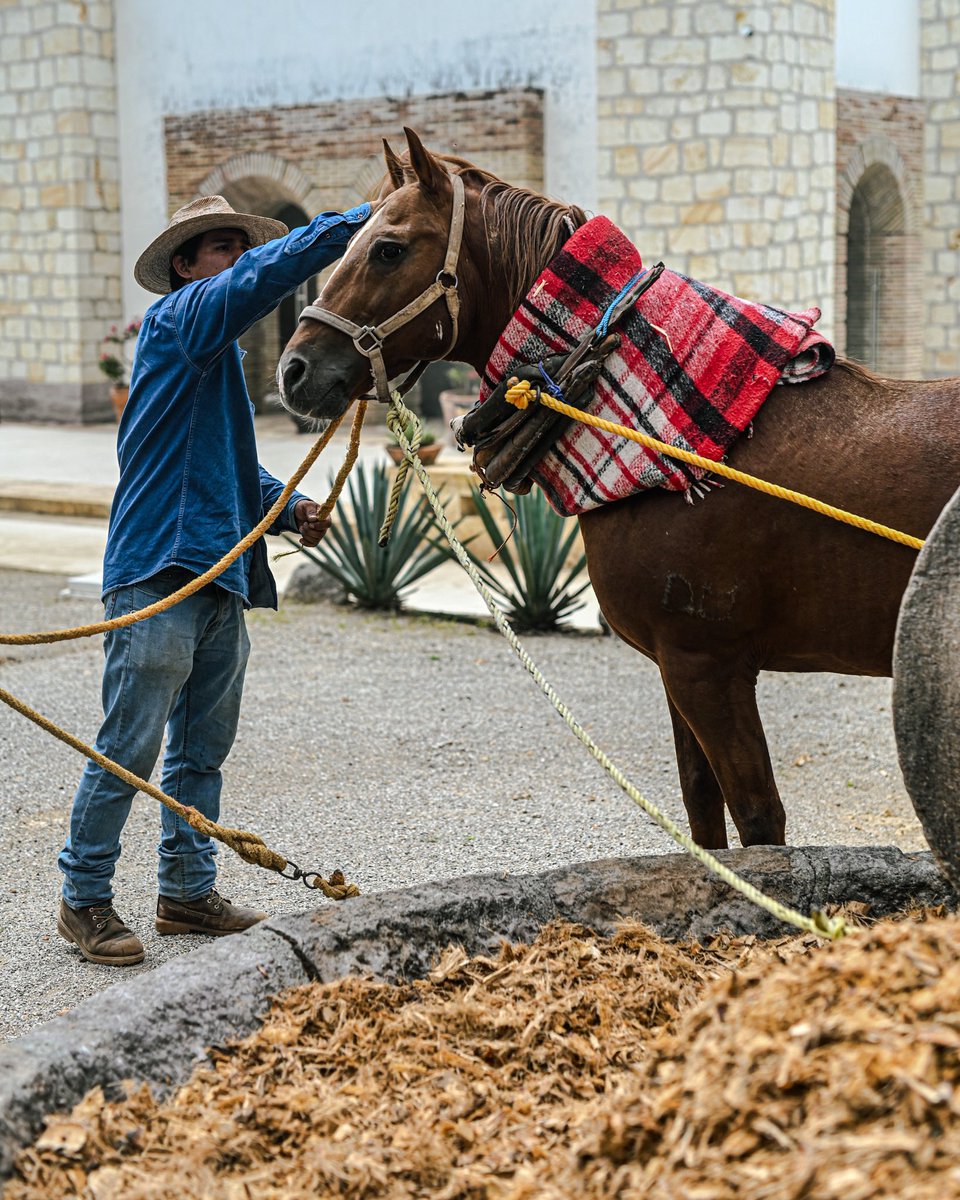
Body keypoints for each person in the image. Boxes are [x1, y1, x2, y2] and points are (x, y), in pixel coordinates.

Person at [57, 194, 370, 966]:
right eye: (218, 248)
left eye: (238, 244)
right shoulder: (179, 323)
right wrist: (361, 220)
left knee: (201, 751)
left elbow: (231, 464)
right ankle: (83, 900)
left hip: (220, 573)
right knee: (128, 747)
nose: (234, 258)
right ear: (184, 270)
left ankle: (186, 895)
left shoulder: (215, 354)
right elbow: (261, 278)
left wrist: (289, 505)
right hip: (160, 570)